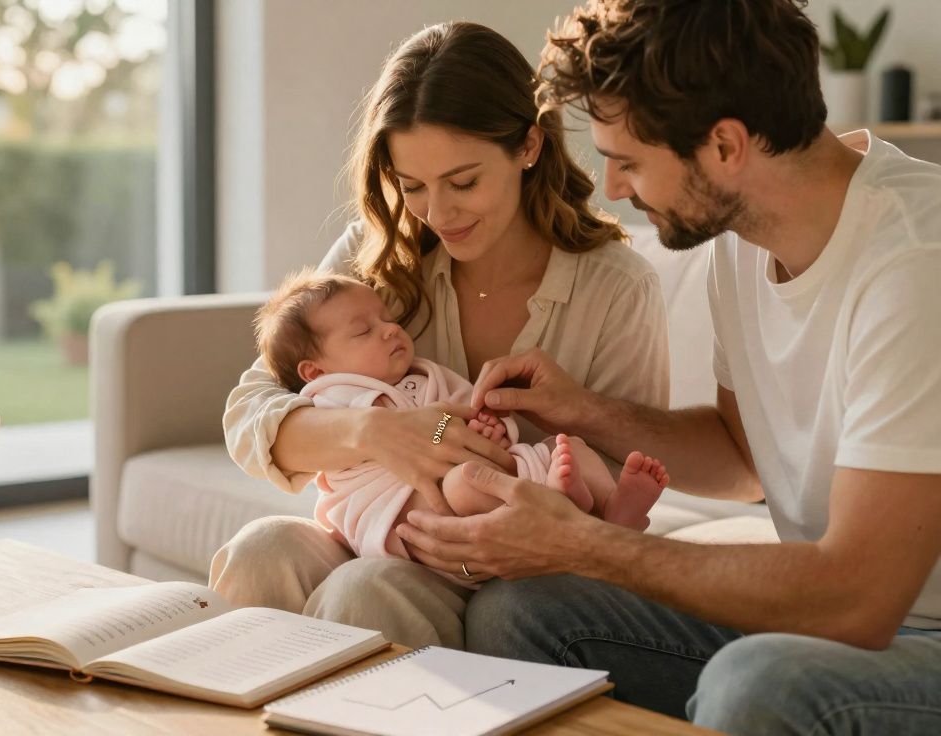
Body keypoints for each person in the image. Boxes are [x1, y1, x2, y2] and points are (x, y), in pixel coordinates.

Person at [393, 1, 941, 733]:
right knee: (519, 613)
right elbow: (743, 462)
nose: (613, 188)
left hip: (902, 628)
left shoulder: (915, 262)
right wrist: (585, 411)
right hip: (838, 621)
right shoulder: (741, 240)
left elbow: (859, 599)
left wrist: (583, 543)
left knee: (758, 685)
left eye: (628, 162)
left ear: (725, 145)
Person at [211, 20, 671, 650]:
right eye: (413, 187)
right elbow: (250, 410)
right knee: (261, 551)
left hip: (529, 562)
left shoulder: (616, 288)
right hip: (388, 528)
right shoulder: (377, 256)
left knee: (365, 590)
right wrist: (376, 432)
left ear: (529, 146)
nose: (437, 213)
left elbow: (621, 483)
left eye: (463, 182)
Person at [254, 269, 669, 576]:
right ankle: (566, 508)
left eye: (387, 318)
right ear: (315, 370)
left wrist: (490, 426)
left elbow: (464, 413)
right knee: (465, 482)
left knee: (569, 447)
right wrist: (440, 431)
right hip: (410, 511)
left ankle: (612, 514)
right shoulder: (329, 399)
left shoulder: (426, 375)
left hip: (493, 473)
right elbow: (435, 431)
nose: (390, 330)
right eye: (364, 331)